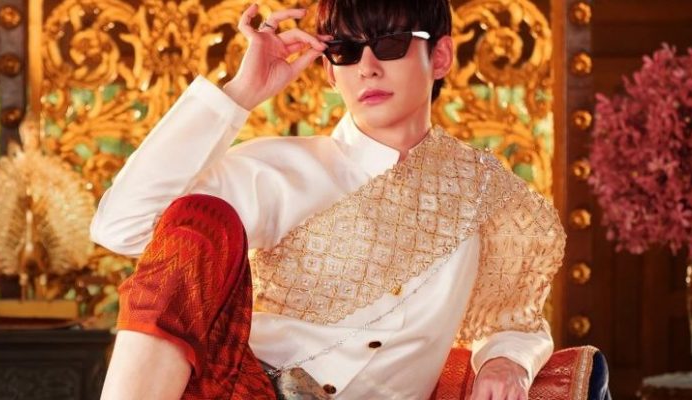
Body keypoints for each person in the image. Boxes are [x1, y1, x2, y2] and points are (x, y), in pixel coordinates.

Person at [93, 0, 566, 399]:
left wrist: (507, 361)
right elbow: (122, 228)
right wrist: (241, 93)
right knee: (200, 216)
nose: (367, 67)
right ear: (328, 69)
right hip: (240, 388)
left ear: (440, 56)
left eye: (390, 44)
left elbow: (513, 320)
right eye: (345, 50)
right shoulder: (278, 168)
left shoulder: (486, 192)